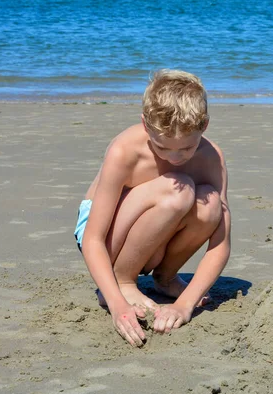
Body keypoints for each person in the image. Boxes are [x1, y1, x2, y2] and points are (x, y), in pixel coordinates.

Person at [73, 70, 231, 347]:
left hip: (156, 233)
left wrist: (185, 305)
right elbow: (93, 238)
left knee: (210, 203)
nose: (174, 157)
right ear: (145, 125)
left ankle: (166, 278)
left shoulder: (211, 157)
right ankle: (122, 280)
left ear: (204, 125)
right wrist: (116, 301)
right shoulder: (125, 151)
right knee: (176, 187)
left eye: (186, 148)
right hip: (105, 236)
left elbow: (220, 243)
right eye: (162, 147)